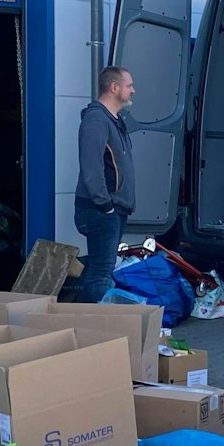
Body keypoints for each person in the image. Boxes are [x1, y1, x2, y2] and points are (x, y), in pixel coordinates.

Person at [72, 66, 136, 301]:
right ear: (114, 87)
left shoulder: (114, 120)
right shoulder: (96, 120)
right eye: (129, 86)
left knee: (104, 271)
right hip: (101, 210)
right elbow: (92, 168)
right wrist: (105, 205)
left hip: (113, 209)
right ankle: (94, 328)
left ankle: (96, 324)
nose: (133, 90)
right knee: (100, 273)